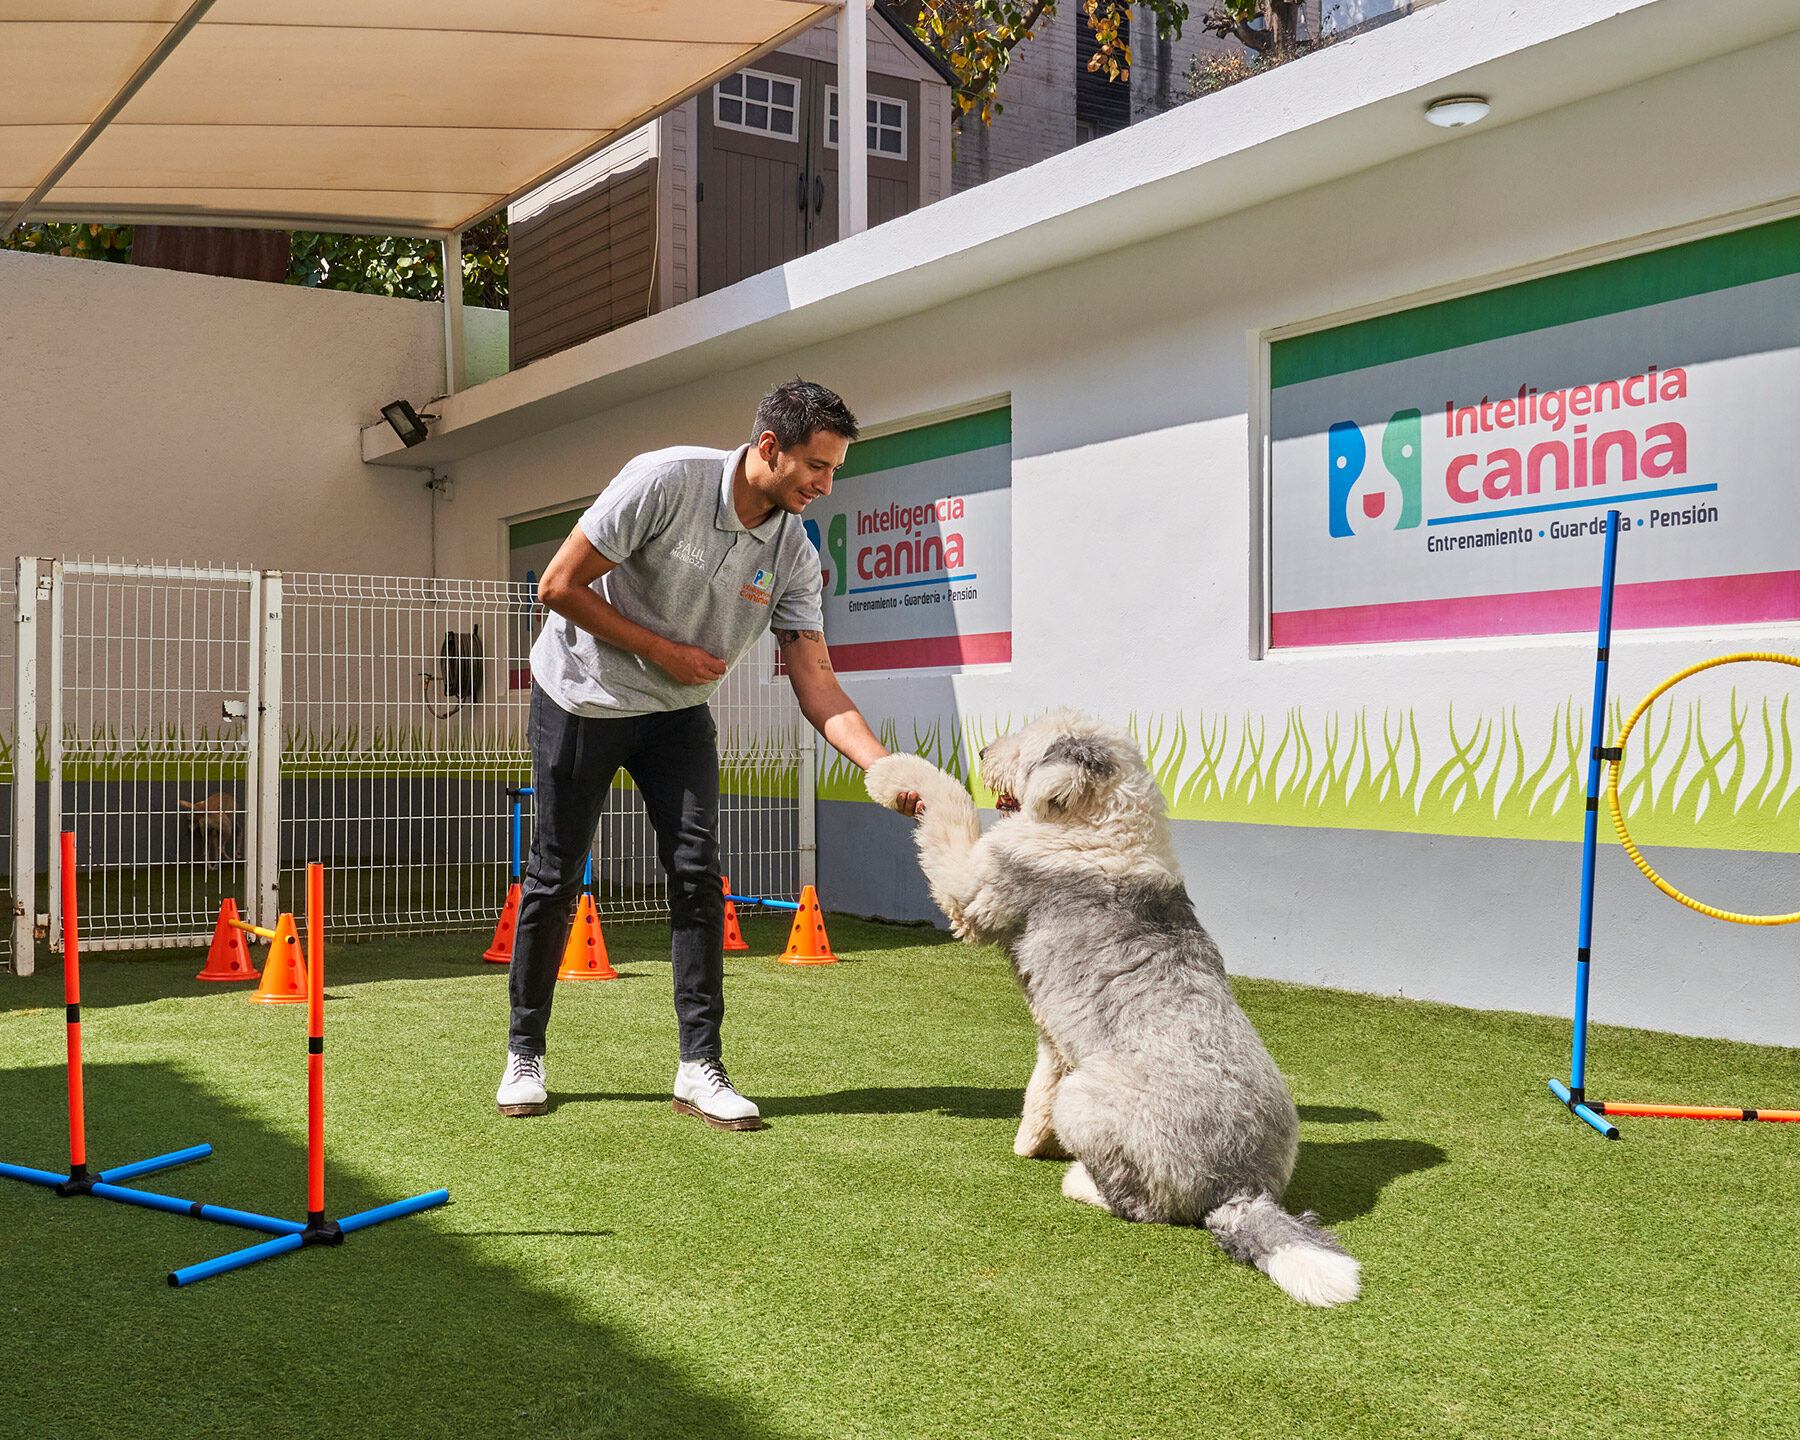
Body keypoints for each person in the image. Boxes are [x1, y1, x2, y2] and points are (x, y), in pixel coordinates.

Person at [496, 379, 919, 1129]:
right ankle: (525, 1051)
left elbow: (817, 682)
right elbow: (558, 586)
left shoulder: (792, 550)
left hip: (677, 714)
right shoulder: (668, 481)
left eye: (834, 472)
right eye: (817, 468)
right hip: (582, 699)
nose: (825, 486)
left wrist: (882, 766)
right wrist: (666, 651)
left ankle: (700, 1065)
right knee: (555, 876)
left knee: (697, 875)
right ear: (769, 449)